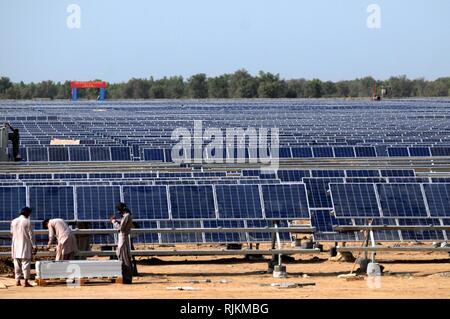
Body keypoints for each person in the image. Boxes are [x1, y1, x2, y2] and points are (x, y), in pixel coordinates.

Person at [10, 207, 35, 287]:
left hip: (15, 245)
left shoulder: (13, 221)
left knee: (16, 263)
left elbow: (11, 233)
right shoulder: (27, 222)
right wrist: (34, 245)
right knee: (26, 263)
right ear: (27, 213)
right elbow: (31, 235)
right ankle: (26, 281)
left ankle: (17, 281)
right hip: (25, 245)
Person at [110, 202, 134, 284]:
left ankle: (127, 278)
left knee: (124, 258)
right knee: (122, 257)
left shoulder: (127, 216)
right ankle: (125, 277)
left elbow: (121, 228)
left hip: (123, 239)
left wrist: (114, 222)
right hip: (123, 239)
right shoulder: (126, 216)